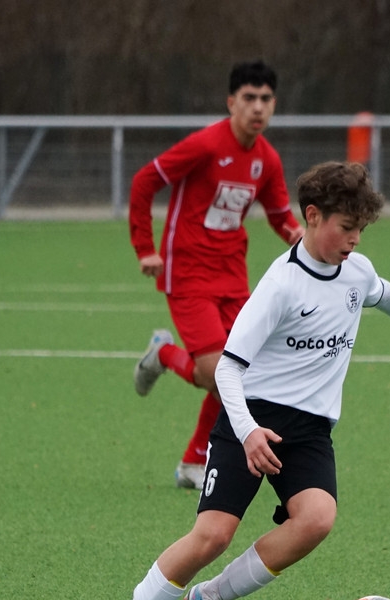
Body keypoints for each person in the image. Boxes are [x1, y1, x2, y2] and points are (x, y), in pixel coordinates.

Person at [104, 161, 390, 600]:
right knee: (213, 535)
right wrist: (249, 432)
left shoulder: (356, 270)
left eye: (361, 229)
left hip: (310, 429)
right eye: (347, 227)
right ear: (313, 216)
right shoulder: (281, 285)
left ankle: (210, 596)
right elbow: (227, 369)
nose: (355, 239)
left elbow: (381, 292)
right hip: (251, 419)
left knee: (316, 519)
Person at [128, 61, 304, 491]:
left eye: (266, 99)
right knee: (214, 374)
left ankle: (194, 461)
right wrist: (145, 248)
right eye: (249, 98)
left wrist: (303, 240)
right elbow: (144, 181)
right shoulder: (206, 145)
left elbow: (280, 216)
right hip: (188, 272)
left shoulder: (267, 159)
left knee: (241, 372)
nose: (258, 107)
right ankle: (163, 354)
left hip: (232, 276)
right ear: (231, 102)